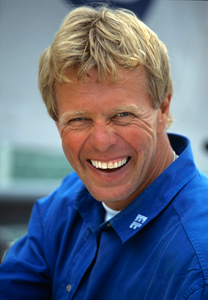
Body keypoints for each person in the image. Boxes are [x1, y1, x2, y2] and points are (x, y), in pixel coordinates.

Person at [0, 5, 208, 300]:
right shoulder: (65, 202)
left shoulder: (198, 268)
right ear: (57, 122)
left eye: (122, 114)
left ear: (163, 108)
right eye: (78, 119)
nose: (101, 141)